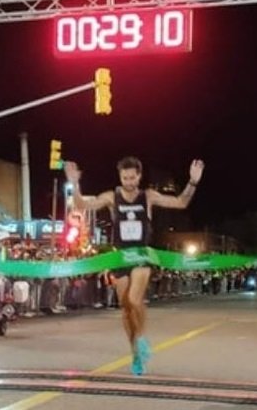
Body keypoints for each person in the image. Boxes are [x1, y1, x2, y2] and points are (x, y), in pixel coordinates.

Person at [64, 156, 205, 375]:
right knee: (126, 309)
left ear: (139, 176)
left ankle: (141, 338)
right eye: (125, 177)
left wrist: (193, 182)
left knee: (134, 299)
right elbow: (82, 205)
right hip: (121, 257)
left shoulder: (147, 196)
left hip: (141, 255)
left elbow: (181, 202)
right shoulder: (112, 197)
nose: (129, 181)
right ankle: (136, 353)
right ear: (120, 177)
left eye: (132, 177)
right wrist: (74, 183)